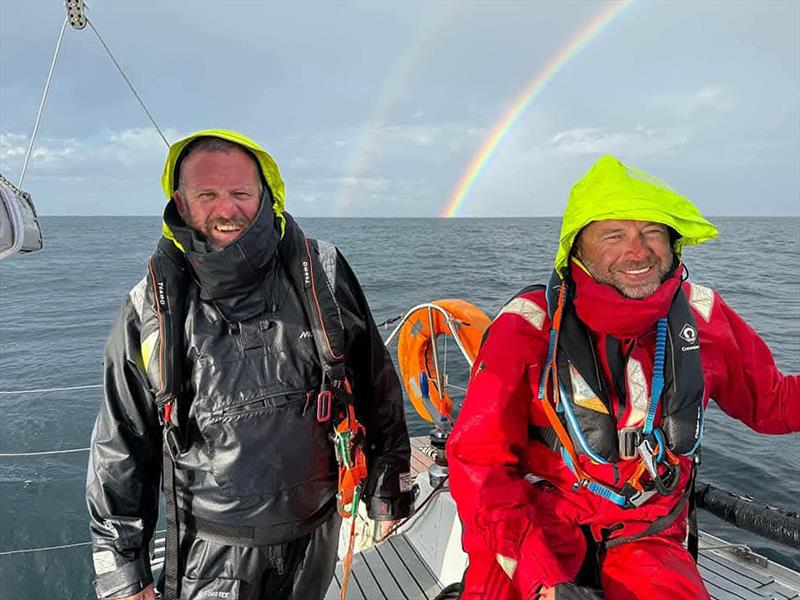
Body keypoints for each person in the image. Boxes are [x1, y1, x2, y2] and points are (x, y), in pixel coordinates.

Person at [447, 155, 799, 600]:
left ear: (673, 243)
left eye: (652, 232)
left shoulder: (705, 318)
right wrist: (544, 581)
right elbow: (479, 463)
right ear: (577, 249)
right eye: (614, 235)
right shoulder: (526, 328)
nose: (638, 250)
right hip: (532, 527)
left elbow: (772, 402)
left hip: (647, 533)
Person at [86, 129, 413, 600]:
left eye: (240, 193)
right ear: (180, 203)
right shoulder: (149, 308)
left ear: (265, 194)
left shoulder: (322, 269)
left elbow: (375, 381)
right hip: (211, 554)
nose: (227, 209)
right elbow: (121, 443)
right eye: (207, 195)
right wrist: (123, 573)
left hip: (318, 535)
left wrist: (388, 491)